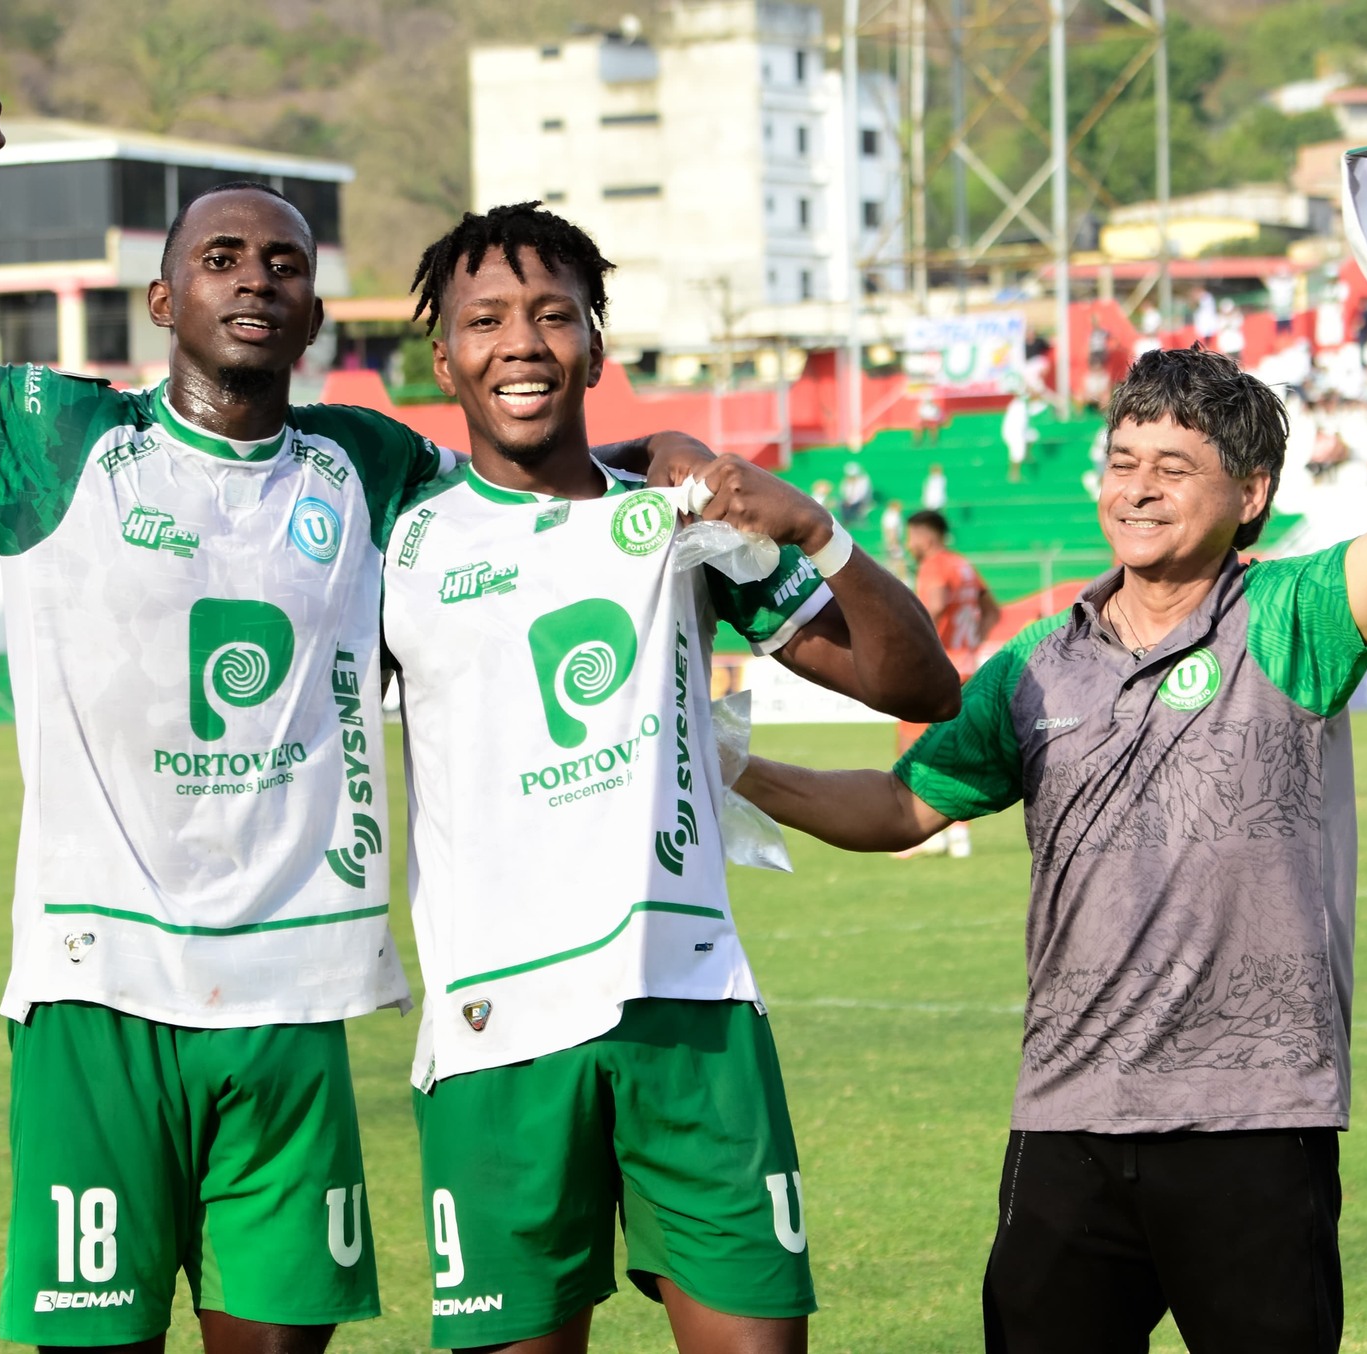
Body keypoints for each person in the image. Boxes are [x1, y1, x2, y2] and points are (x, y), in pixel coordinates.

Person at [0, 62, 705, 1354]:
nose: (257, 277)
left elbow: (532, 487)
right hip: (99, 987)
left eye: (286, 263)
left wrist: (674, 468)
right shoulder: (54, 435)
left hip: (296, 994)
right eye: (224, 257)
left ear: (314, 311)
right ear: (164, 298)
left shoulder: (371, 463)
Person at [735, 266, 1367, 1353]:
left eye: (1172, 467)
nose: (1135, 487)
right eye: (1121, 462)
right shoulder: (1038, 661)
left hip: (1251, 1119)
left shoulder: (1289, 616)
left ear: (1251, 494)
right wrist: (733, 773)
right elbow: (901, 806)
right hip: (1066, 1117)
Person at [386, 202, 958, 1354]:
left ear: (596, 347)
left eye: (553, 316)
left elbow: (919, 689)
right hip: (495, 1033)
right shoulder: (395, 535)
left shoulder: (676, 519)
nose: (521, 343)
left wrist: (818, 535)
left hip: (691, 1008)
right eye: (485, 319)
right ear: (441, 356)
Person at [895, 510, 1001, 859]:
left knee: (912, 750)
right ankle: (955, 835)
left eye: (911, 538)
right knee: (955, 751)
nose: (909, 545)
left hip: (937, 671)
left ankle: (922, 832)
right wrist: (972, 645)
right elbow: (992, 610)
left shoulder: (935, 565)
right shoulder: (962, 565)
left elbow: (935, 605)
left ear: (924, 537)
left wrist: (915, 648)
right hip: (966, 667)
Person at [1002, 389, 1036, 483]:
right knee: (1017, 453)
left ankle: (1027, 455)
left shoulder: (1023, 405)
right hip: (1014, 432)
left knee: (1033, 435)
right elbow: (1016, 425)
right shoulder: (1018, 406)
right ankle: (1014, 475)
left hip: (1021, 431)